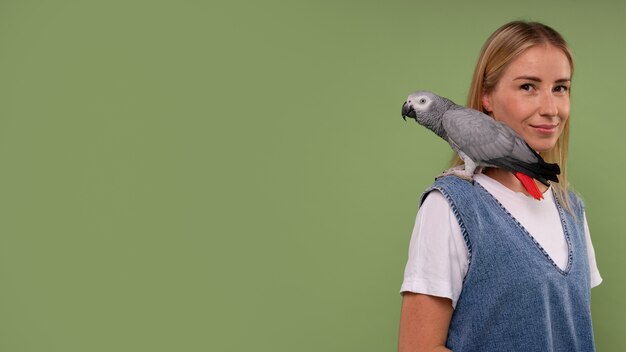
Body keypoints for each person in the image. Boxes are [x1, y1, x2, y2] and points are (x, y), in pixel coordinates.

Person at [398, 21, 602, 352]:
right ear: (487, 97)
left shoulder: (571, 208)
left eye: (561, 88)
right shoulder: (449, 207)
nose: (550, 109)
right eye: (528, 87)